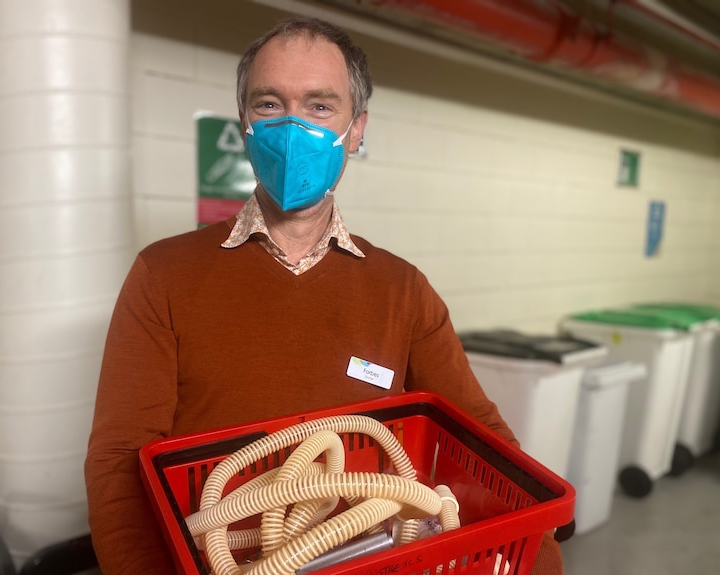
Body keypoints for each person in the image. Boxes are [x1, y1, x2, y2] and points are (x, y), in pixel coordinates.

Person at [85, 16, 563, 575]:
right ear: (244, 122)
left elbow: (484, 438)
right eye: (269, 105)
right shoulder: (162, 275)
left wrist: (542, 549)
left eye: (319, 106)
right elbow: (119, 464)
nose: (292, 128)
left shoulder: (402, 290)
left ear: (356, 129)